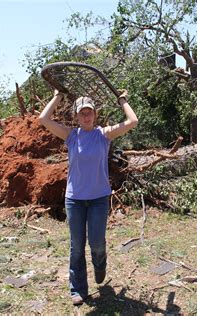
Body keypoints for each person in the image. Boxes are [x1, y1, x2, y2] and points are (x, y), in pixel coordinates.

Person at [39, 89, 138, 305]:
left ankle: (100, 264)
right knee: (76, 245)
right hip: (74, 200)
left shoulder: (104, 134)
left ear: (95, 115)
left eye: (89, 112)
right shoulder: (71, 135)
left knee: (96, 243)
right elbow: (43, 119)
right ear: (76, 116)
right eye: (82, 113)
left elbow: (132, 120)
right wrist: (57, 96)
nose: (86, 116)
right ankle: (78, 289)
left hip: (99, 199)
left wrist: (122, 101)